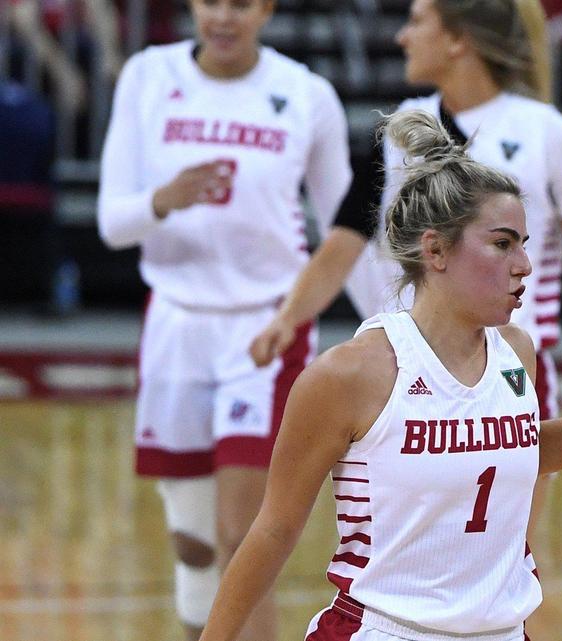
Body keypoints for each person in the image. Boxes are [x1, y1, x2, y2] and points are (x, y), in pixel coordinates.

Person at [197, 109, 562, 641]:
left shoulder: (517, 352)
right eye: (503, 244)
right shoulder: (349, 374)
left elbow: (529, 449)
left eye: (525, 245)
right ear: (435, 250)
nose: (524, 265)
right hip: (385, 630)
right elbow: (273, 531)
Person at [248, 0, 562, 492]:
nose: (402, 37)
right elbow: (344, 241)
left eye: (416, 22)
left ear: (458, 40)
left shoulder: (552, 136)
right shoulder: (399, 131)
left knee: (508, 547)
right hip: (408, 369)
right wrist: (288, 317)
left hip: (512, 365)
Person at [95, 1, 352, 639]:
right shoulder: (148, 76)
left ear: (265, 9)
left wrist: (397, 323)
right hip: (176, 326)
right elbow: (110, 223)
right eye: (212, 1)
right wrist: (164, 198)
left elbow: (350, 229)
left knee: (243, 535)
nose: (224, 17)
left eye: (241, 2)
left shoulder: (304, 93)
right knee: (195, 546)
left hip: (266, 328)